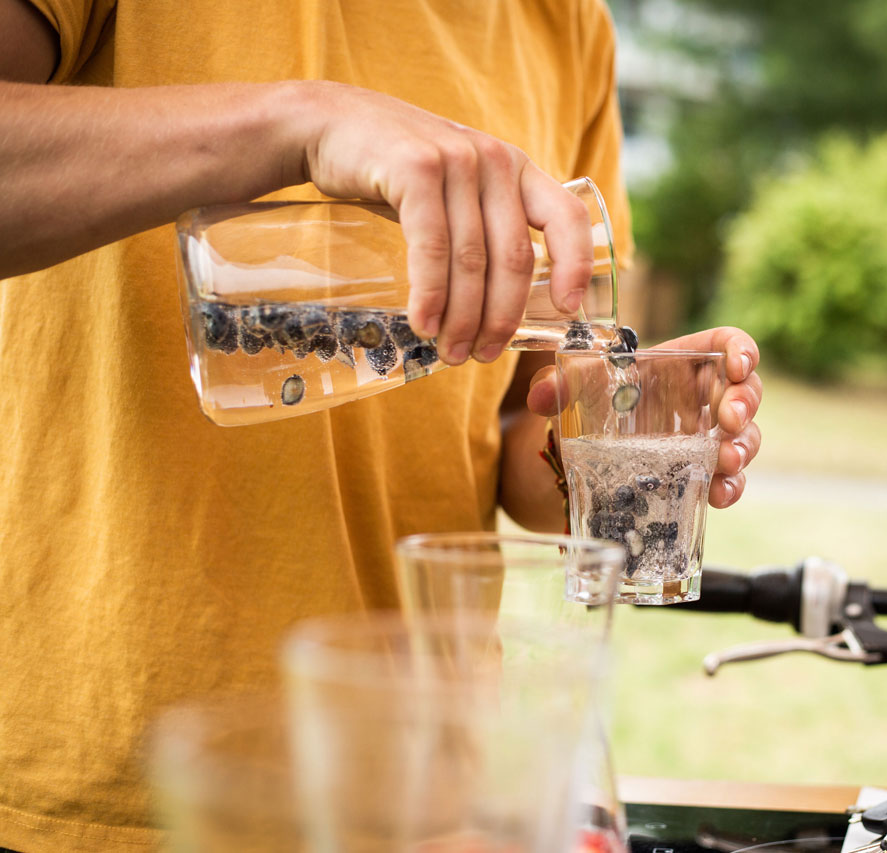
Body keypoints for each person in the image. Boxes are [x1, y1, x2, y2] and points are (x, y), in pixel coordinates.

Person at [0, 1, 764, 850]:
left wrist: (603, 456)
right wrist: (307, 122)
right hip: (108, 787)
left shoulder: (567, 22)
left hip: (421, 802)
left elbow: (516, 419)